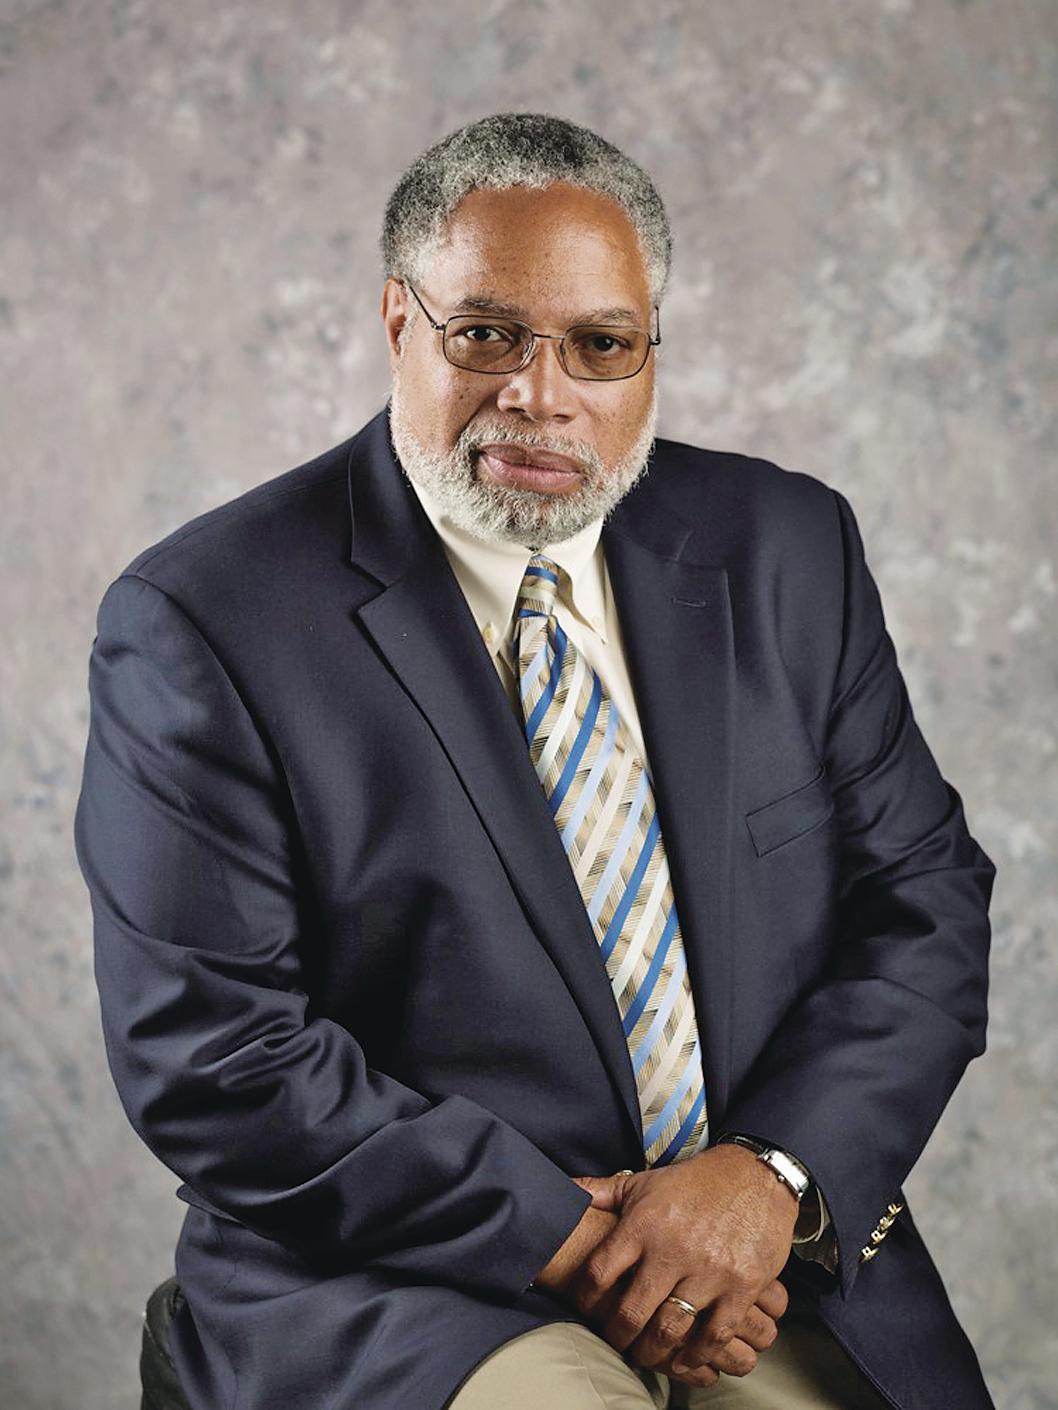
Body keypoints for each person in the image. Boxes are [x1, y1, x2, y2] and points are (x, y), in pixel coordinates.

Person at [74, 113, 997, 1410]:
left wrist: (765, 1176)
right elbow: (215, 1051)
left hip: (757, 1245)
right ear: (399, 320)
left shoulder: (784, 546)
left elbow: (925, 909)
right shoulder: (206, 618)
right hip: (398, 1273)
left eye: (598, 345)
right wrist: (591, 1245)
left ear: (648, 354)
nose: (539, 392)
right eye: (486, 333)